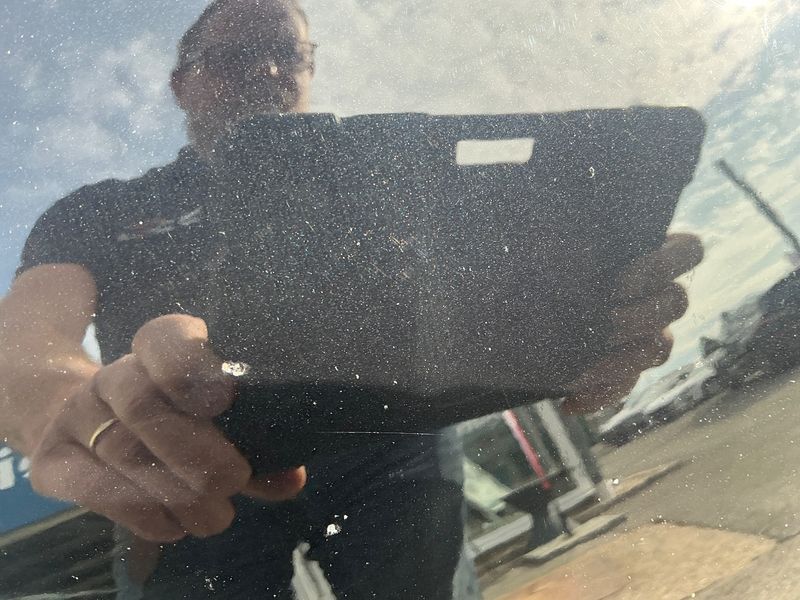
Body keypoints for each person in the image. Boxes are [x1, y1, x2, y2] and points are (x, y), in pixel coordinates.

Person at [0, 0, 703, 598]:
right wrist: (63, 410)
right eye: (235, 56)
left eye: (288, 54)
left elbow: (453, 300)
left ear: (311, 69)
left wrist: (571, 311)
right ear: (182, 84)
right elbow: (22, 347)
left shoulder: (376, 176)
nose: (268, 71)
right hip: (186, 460)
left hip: (389, 433)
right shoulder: (99, 209)